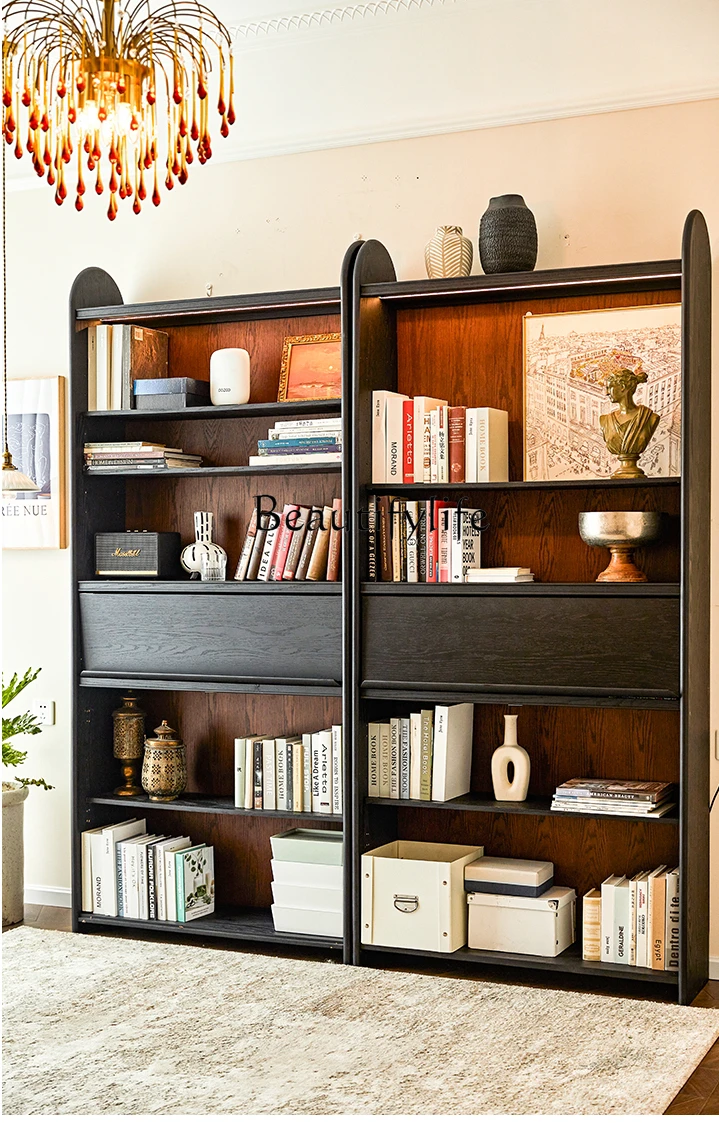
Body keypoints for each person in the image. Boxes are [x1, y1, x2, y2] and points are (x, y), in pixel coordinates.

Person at [599, 368, 659, 478]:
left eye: (609, 387)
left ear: (622, 387)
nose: (607, 393)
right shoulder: (605, 420)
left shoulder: (650, 418)